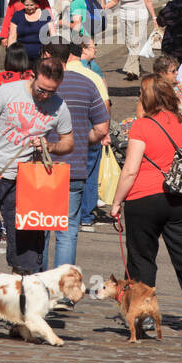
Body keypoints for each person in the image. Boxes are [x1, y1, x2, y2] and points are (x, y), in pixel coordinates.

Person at [110, 74, 182, 340]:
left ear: (147, 97)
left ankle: (144, 317)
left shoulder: (142, 126)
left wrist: (116, 202)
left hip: (145, 197)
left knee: (142, 258)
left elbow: (130, 169)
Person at [0, 56, 73, 275]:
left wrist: (49, 146)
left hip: (29, 184)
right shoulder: (7, 91)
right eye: (42, 90)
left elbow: (68, 142)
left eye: (51, 91)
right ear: (32, 76)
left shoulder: (59, 105)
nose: (45, 96)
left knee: (26, 259)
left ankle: (15, 307)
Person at [42, 44, 109, 269]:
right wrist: (83, 140)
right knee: (68, 230)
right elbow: (102, 128)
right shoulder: (87, 83)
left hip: (43, 166)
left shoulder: (41, 85)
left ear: (49, 57)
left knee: (40, 228)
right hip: (74, 168)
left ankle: (38, 283)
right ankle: (62, 288)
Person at [62, 20, 111, 233]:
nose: (96, 49)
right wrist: (103, 133)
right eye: (92, 46)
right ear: (82, 50)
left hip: (62, 132)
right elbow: (105, 105)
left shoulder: (57, 77)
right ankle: (86, 216)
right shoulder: (93, 77)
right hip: (89, 128)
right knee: (90, 172)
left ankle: (62, 211)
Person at [106, 0, 159, 79]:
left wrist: (154, 17)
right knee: (130, 44)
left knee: (135, 42)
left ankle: (130, 71)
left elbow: (148, 1)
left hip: (140, 17)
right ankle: (137, 67)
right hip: (124, 17)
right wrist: (103, 7)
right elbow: (115, 1)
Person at [7, 0, 54, 66]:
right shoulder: (17, 15)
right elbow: (12, 37)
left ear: (36, 3)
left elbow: (52, 34)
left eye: (31, 5)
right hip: (22, 58)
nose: (29, 8)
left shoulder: (45, 14)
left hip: (41, 57)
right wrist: (10, 55)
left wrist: (53, 52)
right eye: (26, 5)